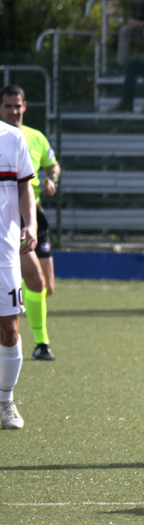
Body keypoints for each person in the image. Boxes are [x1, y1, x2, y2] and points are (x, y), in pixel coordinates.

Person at [0, 86, 59, 362]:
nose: (13, 111)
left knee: (47, 286)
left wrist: (52, 180)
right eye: (7, 106)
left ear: (25, 106)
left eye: (17, 106)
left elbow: (53, 165)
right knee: (34, 278)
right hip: (13, 218)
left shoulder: (34, 137)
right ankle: (41, 344)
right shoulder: (5, 138)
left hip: (35, 213)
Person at [0, 120, 38, 429]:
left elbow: (25, 187)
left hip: (5, 252)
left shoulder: (13, 138)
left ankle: (6, 402)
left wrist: (31, 223)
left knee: (10, 329)